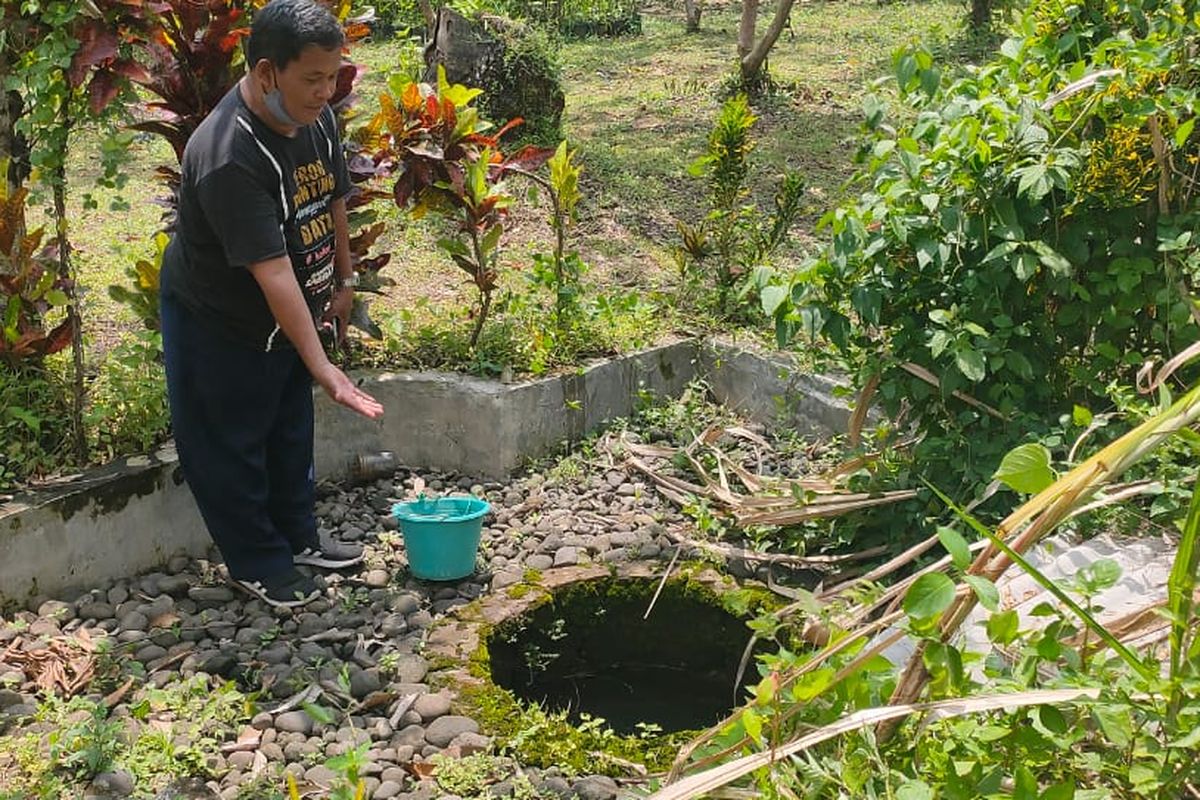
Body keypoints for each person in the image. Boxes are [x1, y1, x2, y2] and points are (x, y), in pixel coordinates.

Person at [160, 0, 384, 609]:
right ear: (266, 74)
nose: (326, 91)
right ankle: (256, 562)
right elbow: (274, 271)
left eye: (333, 76)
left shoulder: (316, 117)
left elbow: (334, 196)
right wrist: (323, 365)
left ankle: (297, 538)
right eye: (312, 79)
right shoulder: (230, 155)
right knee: (230, 443)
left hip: (292, 307)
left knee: (289, 428)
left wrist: (343, 281)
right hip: (219, 318)